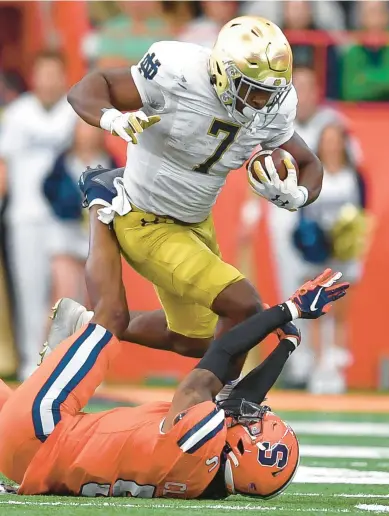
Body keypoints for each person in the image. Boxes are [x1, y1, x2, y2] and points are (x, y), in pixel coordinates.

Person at [63, 16, 323, 397]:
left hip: (196, 222)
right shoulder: (178, 72)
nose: (262, 102)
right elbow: (89, 87)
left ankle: (83, 324)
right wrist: (112, 118)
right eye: (252, 91)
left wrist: (298, 196)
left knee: (196, 341)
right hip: (147, 219)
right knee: (245, 306)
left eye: (270, 92)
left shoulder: (272, 106)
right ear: (222, 71)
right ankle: (208, 404)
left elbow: (309, 163)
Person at [0, 268, 349, 498]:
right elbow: (241, 399)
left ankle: (101, 207)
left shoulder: (202, 434)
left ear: (243, 446)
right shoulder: (208, 483)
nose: (252, 414)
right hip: (28, 466)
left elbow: (223, 351)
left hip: (44, 428)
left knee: (110, 319)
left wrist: (291, 309)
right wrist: (286, 346)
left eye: (255, 423)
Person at [0, 50, 77, 380]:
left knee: (69, 296)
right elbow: (4, 165)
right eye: (43, 73)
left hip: (66, 218)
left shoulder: (75, 112)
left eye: (54, 73)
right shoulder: (18, 114)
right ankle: (31, 364)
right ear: (34, 76)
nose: (48, 80)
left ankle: (65, 365)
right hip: (26, 215)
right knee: (29, 291)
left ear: (63, 76)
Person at [293, 124, 368, 394]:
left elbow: (362, 212)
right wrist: (311, 240)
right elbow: (302, 209)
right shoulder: (313, 173)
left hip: (343, 253)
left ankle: (336, 366)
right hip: (317, 251)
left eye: (336, 140)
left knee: (340, 312)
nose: (332, 146)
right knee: (314, 309)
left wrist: (350, 239)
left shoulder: (354, 176)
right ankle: (316, 365)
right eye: (327, 140)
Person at [43, 119, 118, 308]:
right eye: (82, 130)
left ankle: (84, 335)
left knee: (91, 299)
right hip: (66, 233)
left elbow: (121, 192)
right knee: (63, 296)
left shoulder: (108, 161)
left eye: (91, 130)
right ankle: (54, 337)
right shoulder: (63, 161)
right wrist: (67, 208)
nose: (86, 135)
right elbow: (48, 189)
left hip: (95, 237)